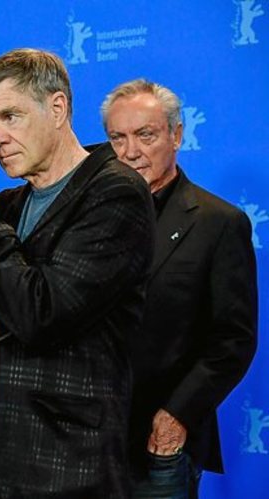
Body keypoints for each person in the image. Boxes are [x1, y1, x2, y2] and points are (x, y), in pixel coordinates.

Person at [0, 48, 155, 498]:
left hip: (58, 468)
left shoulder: (115, 194)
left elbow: (42, 315)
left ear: (57, 108)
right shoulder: (8, 206)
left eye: (11, 117)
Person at [101, 79, 258, 498]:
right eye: (117, 138)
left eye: (145, 135)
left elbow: (233, 340)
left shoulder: (218, 223)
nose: (130, 151)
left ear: (177, 135)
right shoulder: (93, 220)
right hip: (86, 442)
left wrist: (178, 414)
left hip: (161, 444)